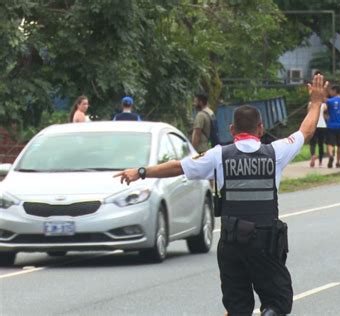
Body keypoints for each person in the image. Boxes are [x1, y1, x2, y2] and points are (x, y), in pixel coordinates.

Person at [114, 74, 328, 316]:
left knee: (237, 308)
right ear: (260, 128)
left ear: (231, 129)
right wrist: (316, 102)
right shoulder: (276, 152)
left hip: (232, 243)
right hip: (265, 244)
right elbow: (306, 131)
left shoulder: (218, 155)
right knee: (277, 303)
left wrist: (140, 172)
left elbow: (178, 166)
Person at [325, 85, 340, 168]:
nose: (331, 93)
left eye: (332, 91)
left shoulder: (330, 101)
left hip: (331, 125)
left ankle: (331, 155)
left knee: (330, 143)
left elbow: (325, 104)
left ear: (335, 91)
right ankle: (338, 162)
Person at [308, 102, 327, 167]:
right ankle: (320, 162)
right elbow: (326, 115)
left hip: (314, 125)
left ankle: (313, 155)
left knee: (312, 143)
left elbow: (309, 115)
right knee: (321, 144)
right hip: (322, 126)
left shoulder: (310, 104)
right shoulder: (324, 105)